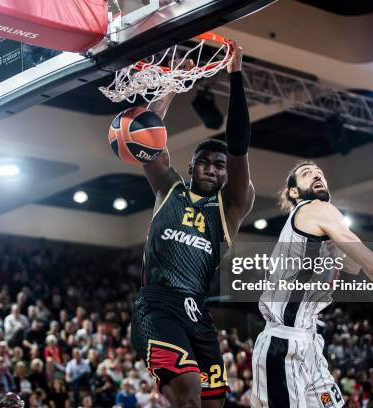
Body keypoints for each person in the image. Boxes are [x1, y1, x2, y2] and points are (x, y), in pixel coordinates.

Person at [131, 44, 254, 408]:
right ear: (190, 167)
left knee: (213, 403)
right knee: (187, 390)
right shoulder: (169, 189)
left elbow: (239, 146)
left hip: (197, 311)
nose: (215, 169)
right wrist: (173, 81)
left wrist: (235, 77)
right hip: (157, 304)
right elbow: (145, 137)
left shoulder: (232, 205)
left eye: (220, 165)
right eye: (205, 162)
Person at [251, 160, 373, 407]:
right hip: (283, 345)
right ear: (293, 192)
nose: (316, 175)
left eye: (320, 173)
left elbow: (367, 268)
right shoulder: (313, 208)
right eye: (307, 173)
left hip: (308, 345)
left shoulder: (321, 236)